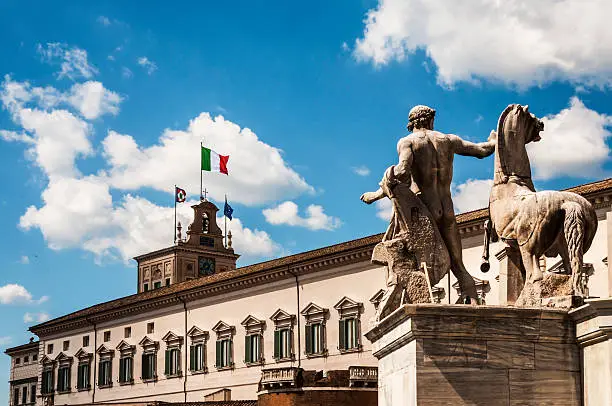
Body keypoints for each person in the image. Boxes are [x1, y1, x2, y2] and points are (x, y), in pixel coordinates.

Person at [361, 105, 496, 302]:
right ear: (430, 120)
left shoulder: (408, 142)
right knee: (458, 265)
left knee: (410, 264)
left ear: (412, 123)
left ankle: (408, 305)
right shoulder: (449, 140)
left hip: (423, 212)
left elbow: (402, 171)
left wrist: (377, 193)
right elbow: (483, 150)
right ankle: (475, 306)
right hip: (447, 209)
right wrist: (494, 141)